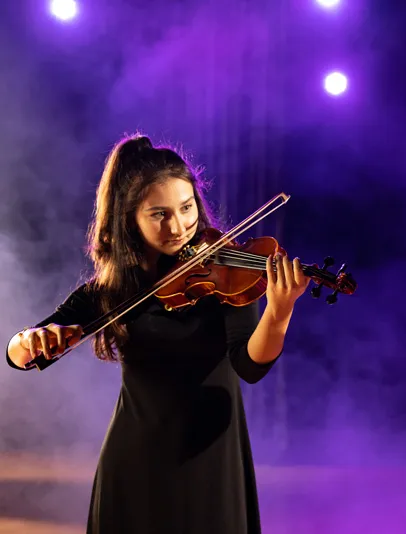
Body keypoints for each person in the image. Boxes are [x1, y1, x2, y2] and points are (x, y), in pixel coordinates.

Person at [5, 134, 311, 533]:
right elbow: (19, 356)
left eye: (186, 208)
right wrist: (28, 340)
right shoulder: (109, 291)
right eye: (159, 214)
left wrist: (279, 311)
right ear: (129, 218)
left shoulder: (227, 273)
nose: (179, 226)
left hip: (212, 457)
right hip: (134, 460)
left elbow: (249, 366)